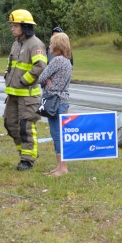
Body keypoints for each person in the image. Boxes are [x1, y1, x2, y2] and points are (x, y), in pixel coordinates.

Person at [3, 9, 48, 171]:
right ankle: (25, 153)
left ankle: (27, 159)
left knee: (26, 127)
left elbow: (41, 66)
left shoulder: (35, 44)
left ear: (24, 26)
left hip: (28, 96)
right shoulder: (16, 43)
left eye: (15, 25)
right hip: (13, 94)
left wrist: (23, 81)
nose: (12, 28)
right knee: (9, 124)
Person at [38, 32, 73, 176]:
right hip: (63, 100)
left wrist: (47, 81)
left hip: (55, 101)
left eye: (52, 43)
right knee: (60, 134)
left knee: (57, 134)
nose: (50, 46)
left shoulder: (57, 60)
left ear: (57, 45)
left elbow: (41, 77)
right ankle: (59, 166)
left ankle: (62, 168)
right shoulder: (67, 61)